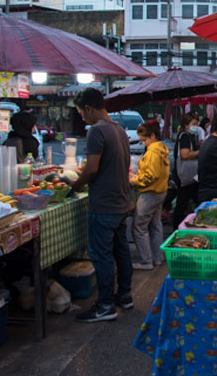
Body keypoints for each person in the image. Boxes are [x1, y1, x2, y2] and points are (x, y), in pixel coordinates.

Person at [70, 88, 133, 323]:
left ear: (88, 108)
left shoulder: (96, 131)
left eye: (81, 113)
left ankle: (105, 305)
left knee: (102, 256)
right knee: (121, 251)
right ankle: (125, 296)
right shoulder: (119, 130)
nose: (82, 119)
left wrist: (76, 185)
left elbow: (92, 168)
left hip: (104, 204)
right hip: (121, 200)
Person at [129, 120, 169, 270]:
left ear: (152, 136)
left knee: (139, 227)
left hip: (150, 193)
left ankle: (146, 261)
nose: (144, 143)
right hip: (160, 192)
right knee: (155, 225)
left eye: (144, 140)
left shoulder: (152, 152)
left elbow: (151, 176)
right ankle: (158, 257)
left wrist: (135, 180)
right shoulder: (161, 149)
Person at [173, 114, 200, 229]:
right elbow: (185, 154)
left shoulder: (191, 136)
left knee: (196, 199)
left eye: (196, 124)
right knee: (182, 203)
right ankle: (177, 228)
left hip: (191, 176)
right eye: (193, 124)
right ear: (186, 125)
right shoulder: (184, 137)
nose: (196, 126)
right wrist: (200, 151)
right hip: (185, 175)